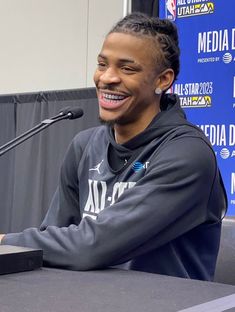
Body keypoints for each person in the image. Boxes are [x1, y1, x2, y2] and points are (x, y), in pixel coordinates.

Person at [0, 12, 227, 281]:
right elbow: (52, 242)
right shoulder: (84, 145)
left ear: (163, 80)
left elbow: (90, 247)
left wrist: (5, 239)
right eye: (102, 64)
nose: (107, 78)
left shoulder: (187, 154)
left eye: (127, 68)